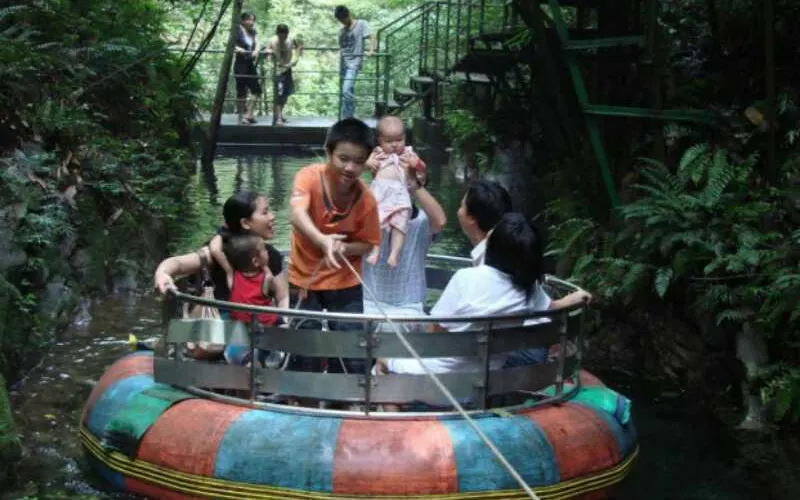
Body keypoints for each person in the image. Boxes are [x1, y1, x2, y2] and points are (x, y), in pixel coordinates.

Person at [376, 214, 591, 404]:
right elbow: (553, 307)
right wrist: (577, 297)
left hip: (442, 384)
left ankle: (391, 421)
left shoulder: (466, 278)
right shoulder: (529, 289)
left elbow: (436, 333)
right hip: (485, 384)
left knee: (381, 363)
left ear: (495, 246)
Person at [287, 117, 381, 375]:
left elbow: (369, 245)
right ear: (328, 152)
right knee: (304, 352)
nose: (350, 168)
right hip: (305, 279)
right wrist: (322, 240)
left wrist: (343, 248)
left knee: (352, 353)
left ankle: (348, 396)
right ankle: (303, 393)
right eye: (343, 159)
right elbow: (296, 213)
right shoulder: (309, 177)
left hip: (345, 282)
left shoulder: (367, 200)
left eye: (359, 161)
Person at [153, 191, 289, 359]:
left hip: (258, 330)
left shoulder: (270, 256)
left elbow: (282, 297)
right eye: (265, 212)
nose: (272, 217)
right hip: (219, 334)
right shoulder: (221, 251)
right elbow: (178, 264)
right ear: (245, 223)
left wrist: (283, 328)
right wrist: (163, 274)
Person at [362, 119, 446, 324]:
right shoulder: (365, 212)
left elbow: (441, 221)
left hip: (408, 306)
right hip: (369, 302)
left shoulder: (421, 221)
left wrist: (413, 182)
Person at [364, 117, 428, 268]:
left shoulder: (408, 153)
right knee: (376, 221)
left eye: (399, 140)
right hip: (380, 193)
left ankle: (394, 254)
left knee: (400, 223)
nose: (394, 144)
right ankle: (375, 250)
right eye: (388, 141)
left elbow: (422, 169)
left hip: (400, 195)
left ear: (405, 137)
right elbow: (363, 165)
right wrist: (368, 163)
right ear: (380, 141)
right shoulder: (377, 153)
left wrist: (417, 164)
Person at [220, 232, 284, 367]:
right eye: (264, 249)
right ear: (255, 261)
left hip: (243, 328)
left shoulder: (232, 276)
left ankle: (250, 361)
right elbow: (274, 288)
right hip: (265, 327)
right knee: (280, 322)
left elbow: (216, 250)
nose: (267, 251)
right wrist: (265, 266)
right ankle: (272, 357)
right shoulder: (266, 279)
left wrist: (221, 234)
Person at [334, 5, 375, 119]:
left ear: (348, 15)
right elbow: (342, 47)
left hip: (354, 63)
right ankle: (350, 117)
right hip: (343, 63)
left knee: (346, 90)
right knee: (348, 91)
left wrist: (371, 50)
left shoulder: (361, 24)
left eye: (343, 19)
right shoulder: (341, 31)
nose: (342, 22)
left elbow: (372, 37)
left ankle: (346, 119)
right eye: (340, 20)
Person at [263, 24, 303, 126]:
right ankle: (279, 118)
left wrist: (296, 58)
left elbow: (299, 46)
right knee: (279, 94)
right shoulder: (272, 40)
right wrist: (268, 53)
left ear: (286, 34)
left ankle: (279, 114)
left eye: (284, 35)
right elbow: (266, 53)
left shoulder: (291, 40)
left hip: (287, 69)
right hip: (277, 70)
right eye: (280, 35)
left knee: (286, 93)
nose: (282, 37)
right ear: (277, 34)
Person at [234, 10, 262, 125]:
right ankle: (241, 116)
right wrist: (240, 50)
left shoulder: (253, 32)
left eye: (253, 20)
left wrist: (256, 50)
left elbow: (257, 43)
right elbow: (232, 45)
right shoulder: (238, 31)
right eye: (249, 19)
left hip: (250, 63)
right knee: (241, 91)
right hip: (240, 64)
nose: (251, 22)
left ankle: (249, 114)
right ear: (243, 20)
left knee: (257, 90)